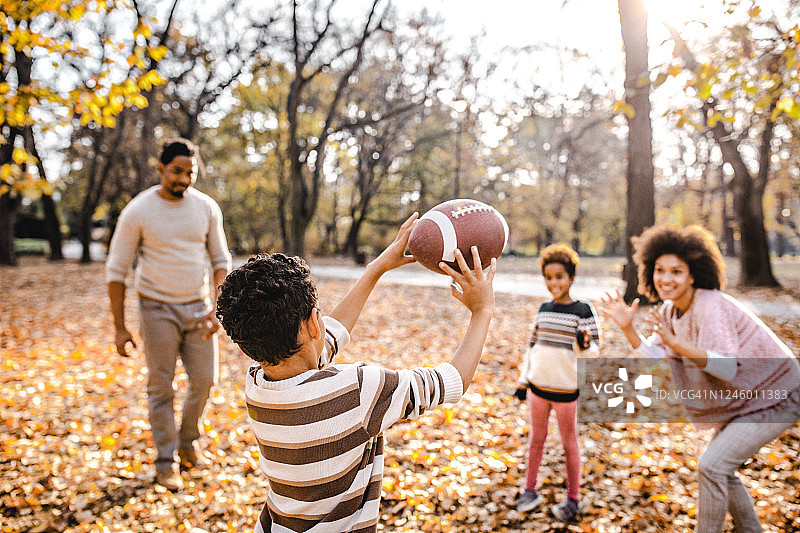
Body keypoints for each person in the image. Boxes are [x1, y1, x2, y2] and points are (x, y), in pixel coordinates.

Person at [215, 214, 496, 533]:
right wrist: (482, 311)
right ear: (312, 322)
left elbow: (327, 336)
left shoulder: (259, 382)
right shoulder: (359, 391)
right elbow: (454, 382)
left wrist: (376, 268)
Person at [600, 225, 800, 533]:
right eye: (659, 270)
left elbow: (727, 368)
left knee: (713, 466)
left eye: (676, 272)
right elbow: (658, 363)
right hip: (748, 398)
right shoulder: (669, 311)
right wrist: (629, 329)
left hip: (781, 392)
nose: (666, 279)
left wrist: (677, 344)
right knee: (721, 470)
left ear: (693, 275)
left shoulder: (709, 305)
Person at [105, 138, 231, 491]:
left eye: (190, 173)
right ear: (160, 169)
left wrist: (218, 310)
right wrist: (119, 327)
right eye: (176, 171)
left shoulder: (206, 208)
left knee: (206, 379)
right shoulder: (138, 211)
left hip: (199, 307)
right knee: (161, 387)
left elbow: (221, 261)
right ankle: (166, 459)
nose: (184, 179)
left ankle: (188, 439)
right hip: (156, 307)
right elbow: (117, 270)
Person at [512, 244, 600, 521]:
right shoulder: (544, 308)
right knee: (536, 440)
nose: (554, 283)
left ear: (571, 277)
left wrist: (583, 344)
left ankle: (573, 498)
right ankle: (530, 490)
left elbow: (593, 350)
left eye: (559, 277)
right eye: (548, 277)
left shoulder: (583, 310)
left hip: (566, 392)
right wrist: (523, 381)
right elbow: (532, 347)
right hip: (538, 389)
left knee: (568, 444)